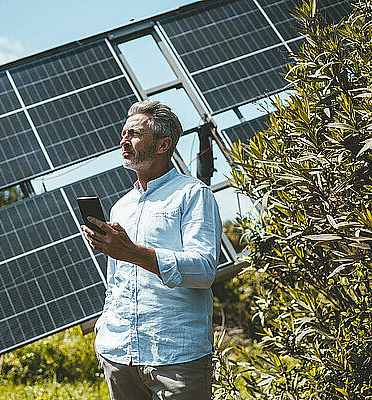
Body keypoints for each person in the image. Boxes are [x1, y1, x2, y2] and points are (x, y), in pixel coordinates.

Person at [81, 100, 222, 400]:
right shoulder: (122, 206)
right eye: (123, 133)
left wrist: (133, 252)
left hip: (176, 358)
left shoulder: (193, 195)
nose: (123, 140)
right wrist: (104, 331)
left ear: (162, 145)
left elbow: (204, 269)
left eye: (134, 133)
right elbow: (117, 280)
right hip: (119, 355)